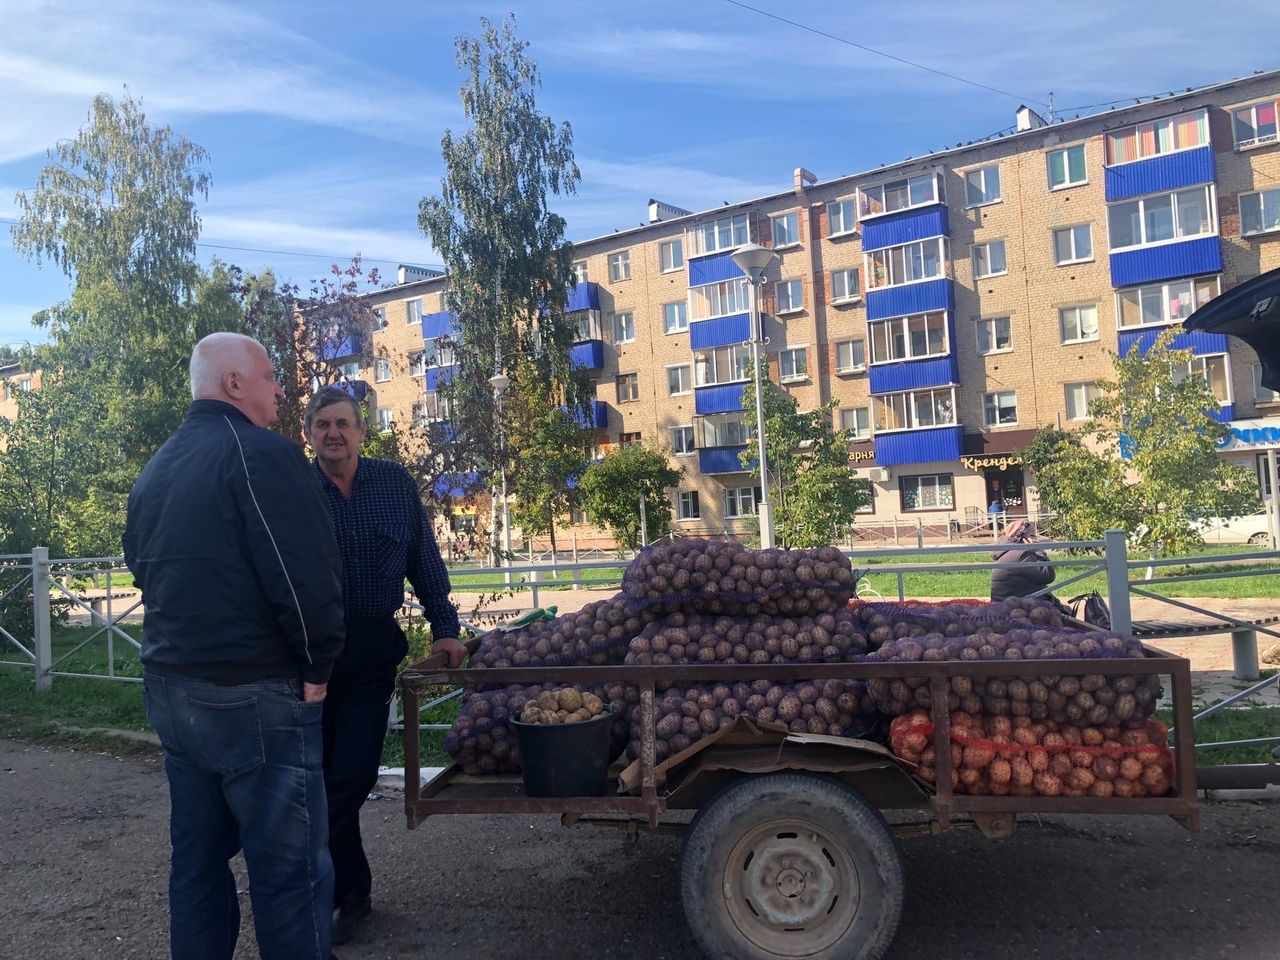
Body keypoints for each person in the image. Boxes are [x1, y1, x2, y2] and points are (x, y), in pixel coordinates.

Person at [123, 332, 346, 960]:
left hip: (172, 690)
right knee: (290, 872)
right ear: (234, 384)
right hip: (253, 695)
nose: (281, 387)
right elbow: (305, 574)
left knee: (196, 862)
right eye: (271, 375)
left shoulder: (160, 464)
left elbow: (140, 564)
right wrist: (318, 664)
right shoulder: (262, 456)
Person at [303, 386, 465, 945]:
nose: (334, 434)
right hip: (306, 657)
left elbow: (425, 561)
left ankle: (314, 890)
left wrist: (445, 629)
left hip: (371, 651)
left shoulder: (394, 485)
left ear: (361, 430)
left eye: (343, 423)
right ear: (308, 433)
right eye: (322, 424)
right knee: (317, 778)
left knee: (350, 776)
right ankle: (350, 895)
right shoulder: (294, 491)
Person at [990, 519, 1056, 602]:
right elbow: (1048, 576)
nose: (1037, 540)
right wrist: (1038, 550)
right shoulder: (1021, 555)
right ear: (1026, 538)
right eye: (1033, 536)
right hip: (1016, 607)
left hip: (1006, 603)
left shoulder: (1006, 551)